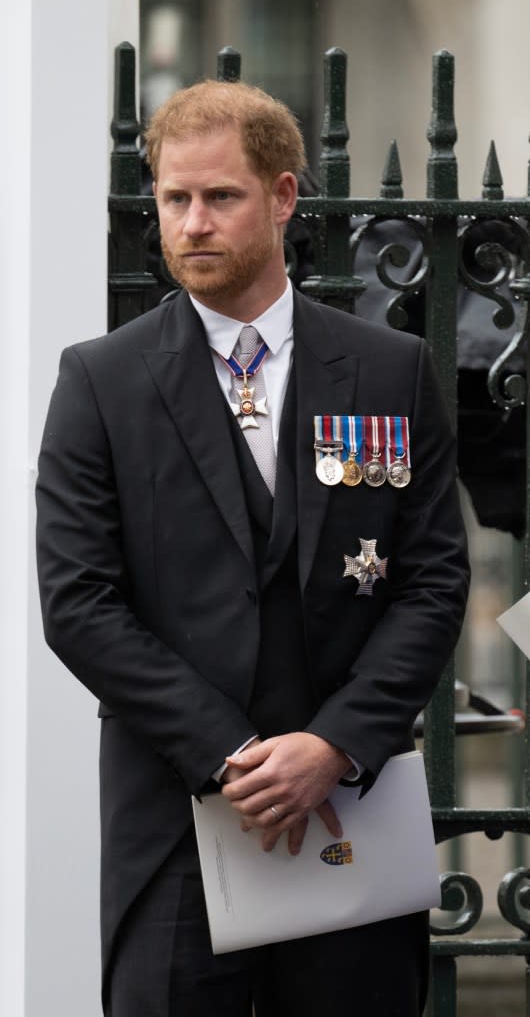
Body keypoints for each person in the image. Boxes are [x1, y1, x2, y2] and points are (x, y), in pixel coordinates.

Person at [36, 79, 470, 1017]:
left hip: (349, 820)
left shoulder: (392, 369)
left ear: (281, 197)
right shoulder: (100, 383)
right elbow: (76, 603)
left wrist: (334, 744)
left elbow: (435, 581)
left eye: (220, 197)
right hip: (175, 828)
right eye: (173, 199)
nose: (192, 224)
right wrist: (230, 752)